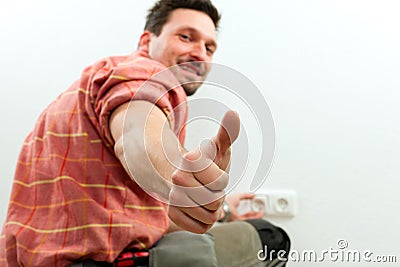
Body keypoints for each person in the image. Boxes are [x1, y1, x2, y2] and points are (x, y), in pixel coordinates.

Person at [0, 0, 290, 266]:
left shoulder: (80, 92)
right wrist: (175, 174)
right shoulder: (141, 71)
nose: (199, 53)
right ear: (147, 40)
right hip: (99, 261)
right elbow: (136, 135)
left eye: (209, 47)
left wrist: (221, 208)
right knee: (269, 237)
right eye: (186, 37)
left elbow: (147, 216)